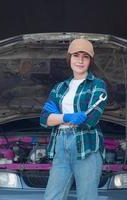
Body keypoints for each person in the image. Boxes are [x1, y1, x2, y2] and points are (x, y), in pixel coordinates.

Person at [40, 38, 107, 200]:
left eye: (85, 56)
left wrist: (57, 117)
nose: (80, 60)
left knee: (87, 197)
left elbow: (90, 119)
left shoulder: (97, 85)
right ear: (69, 58)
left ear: (90, 60)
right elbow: (44, 119)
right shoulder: (60, 87)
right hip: (61, 146)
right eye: (76, 55)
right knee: (51, 197)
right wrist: (68, 116)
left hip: (86, 146)